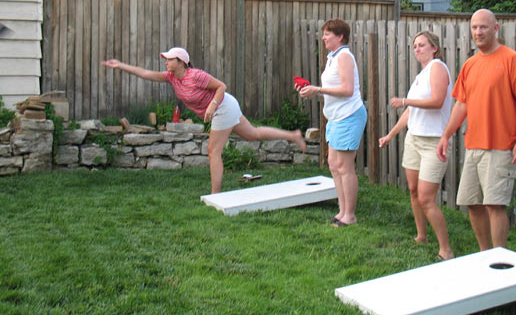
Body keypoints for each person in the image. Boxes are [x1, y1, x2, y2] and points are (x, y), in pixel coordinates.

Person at [102, 47, 306, 194]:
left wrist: (211, 106)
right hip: (224, 107)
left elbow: (221, 86)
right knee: (253, 134)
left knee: (213, 150)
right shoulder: (172, 77)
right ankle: (293, 135)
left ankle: (215, 195)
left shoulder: (195, 75)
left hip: (223, 106)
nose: (166, 62)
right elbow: (146, 74)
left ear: (180, 62)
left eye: (169, 59)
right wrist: (121, 65)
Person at [437, 9, 516, 250]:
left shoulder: (512, 59)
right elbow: (462, 104)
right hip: (474, 145)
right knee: (472, 203)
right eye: (474, 28)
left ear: (495, 29)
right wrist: (446, 134)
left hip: (501, 146)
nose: (478, 32)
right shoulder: (470, 65)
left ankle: (499, 258)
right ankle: (485, 254)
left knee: (495, 205)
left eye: (483, 27)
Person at [378, 31, 454, 260]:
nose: (417, 49)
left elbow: (437, 101)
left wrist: (405, 100)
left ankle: (446, 250)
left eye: (422, 45)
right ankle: (422, 235)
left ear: (434, 48)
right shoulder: (422, 75)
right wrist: (391, 135)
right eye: (415, 46)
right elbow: (411, 112)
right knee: (413, 190)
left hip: (433, 141)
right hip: (414, 139)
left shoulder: (438, 68)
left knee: (426, 197)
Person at [298, 18, 367, 227]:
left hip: (349, 116)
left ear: (340, 37)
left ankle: (350, 215)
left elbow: (347, 90)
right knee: (333, 165)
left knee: (345, 167)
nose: (323, 37)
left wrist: (317, 90)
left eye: (328, 34)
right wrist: (312, 90)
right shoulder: (332, 57)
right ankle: (342, 211)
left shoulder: (345, 56)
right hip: (336, 117)